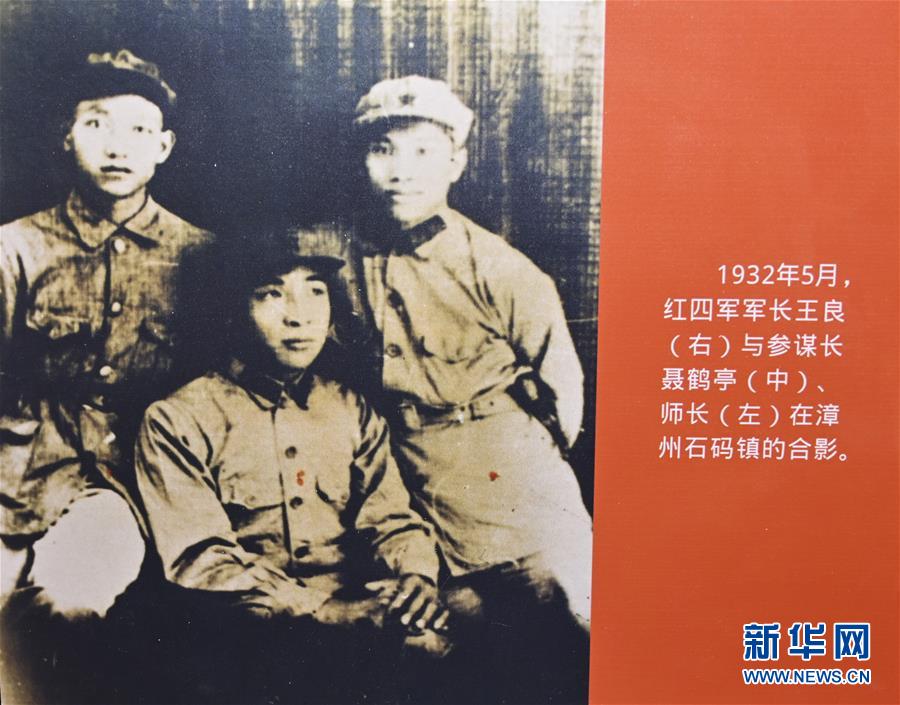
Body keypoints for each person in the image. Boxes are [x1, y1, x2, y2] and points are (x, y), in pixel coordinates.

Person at [349, 75, 594, 702]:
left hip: (505, 474)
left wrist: (528, 471)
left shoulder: (500, 267)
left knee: (571, 617)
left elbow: (562, 390)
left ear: (456, 163)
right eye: (383, 150)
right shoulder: (341, 257)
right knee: (427, 644)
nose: (401, 171)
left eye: (423, 152)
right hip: (404, 479)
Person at [133, 230, 448, 704]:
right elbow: (203, 558)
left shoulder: (350, 408)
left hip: (358, 610)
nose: (299, 316)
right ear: (232, 309)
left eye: (316, 291)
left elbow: (391, 518)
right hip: (244, 633)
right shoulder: (177, 418)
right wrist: (324, 610)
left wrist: (416, 576)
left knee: (435, 648)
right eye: (271, 294)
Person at [0, 49, 213, 701]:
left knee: (67, 601)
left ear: (165, 147)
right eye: (96, 124)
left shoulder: (199, 257)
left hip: (126, 485)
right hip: (13, 470)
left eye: (138, 130)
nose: (117, 146)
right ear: (67, 137)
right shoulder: (16, 247)